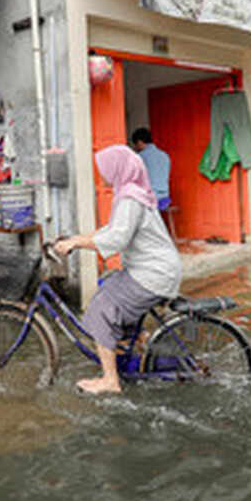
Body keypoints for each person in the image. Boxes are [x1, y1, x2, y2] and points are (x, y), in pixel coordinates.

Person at [53, 145, 181, 394]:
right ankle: (139, 339)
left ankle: (110, 380)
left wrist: (77, 243)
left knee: (101, 309)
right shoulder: (131, 192)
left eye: (104, 167)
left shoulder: (130, 197)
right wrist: (76, 239)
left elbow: (117, 239)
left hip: (153, 274)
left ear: (117, 168)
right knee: (109, 284)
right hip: (154, 269)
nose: (101, 173)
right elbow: (111, 230)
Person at [130, 127, 172, 210]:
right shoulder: (164, 155)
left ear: (139, 142)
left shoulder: (140, 157)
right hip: (165, 198)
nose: (135, 147)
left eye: (135, 145)